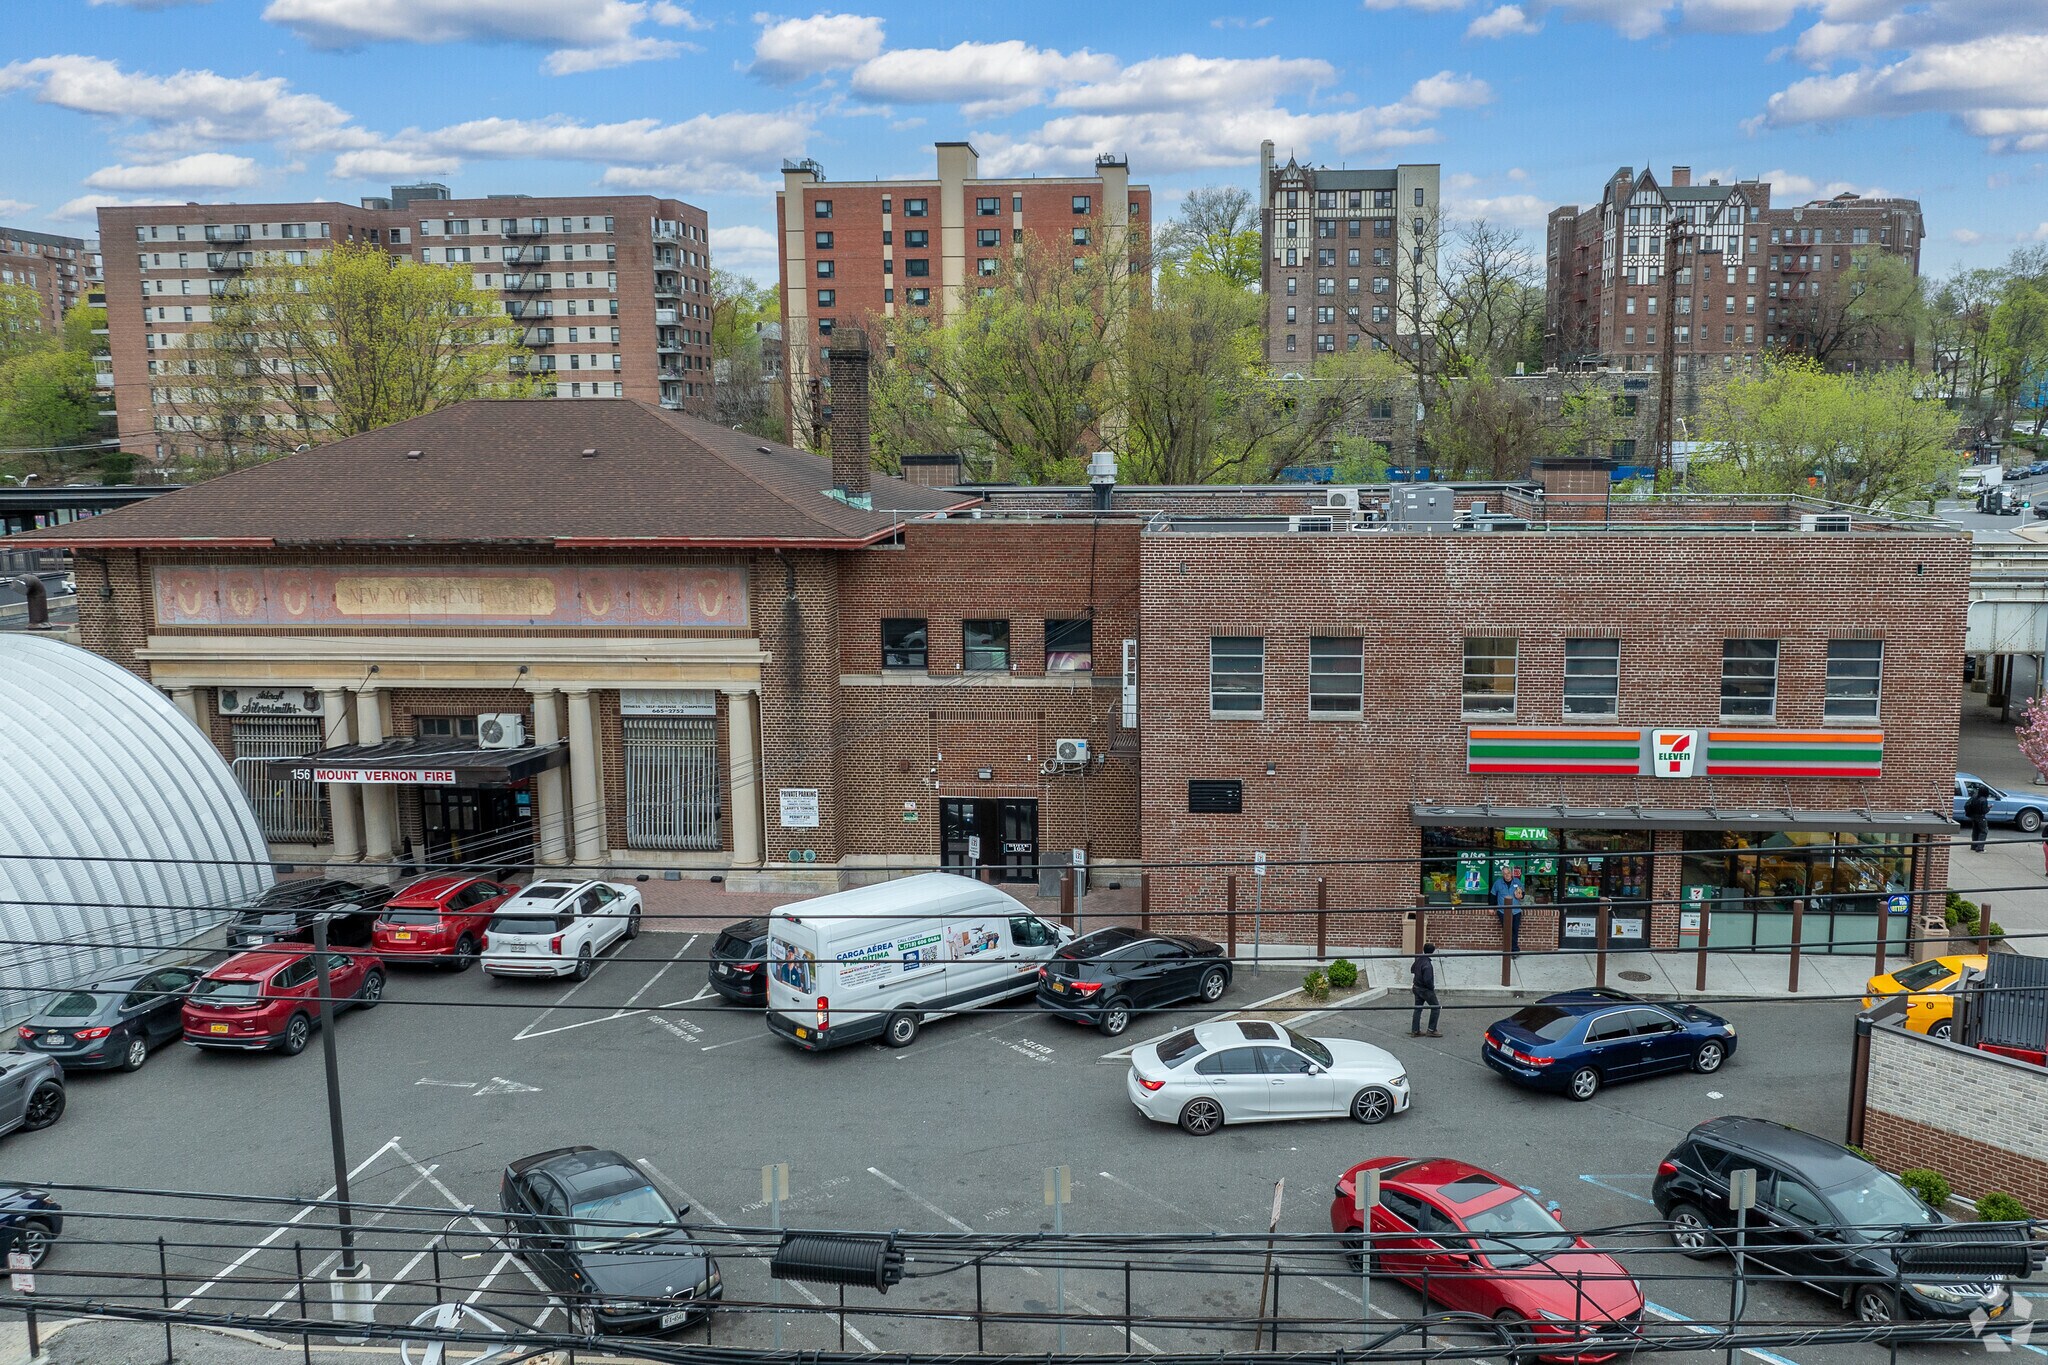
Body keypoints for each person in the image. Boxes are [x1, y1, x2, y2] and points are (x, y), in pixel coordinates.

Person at [1490, 864, 1525, 954]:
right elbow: (1493, 895)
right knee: (1507, 930)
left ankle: (1514, 950)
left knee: (1515, 930)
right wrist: (1491, 907)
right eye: (1505, 874)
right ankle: (1507, 949)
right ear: (1503, 875)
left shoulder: (1517, 882)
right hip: (1503, 911)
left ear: (1511, 873)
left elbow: (1522, 894)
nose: (1507, 875)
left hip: (1516, 911)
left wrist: (1520, 896)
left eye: (1508, 873)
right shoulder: (1498, 883)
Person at [1409, 942, 1441, 1038]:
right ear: (1432, 951)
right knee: (1436, 1007)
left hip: (1416, 987)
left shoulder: (1419, 959)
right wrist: (1431, 988)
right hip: (1425, 990)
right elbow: (1428, 980)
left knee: (1418, 1009)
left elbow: (1412, 969)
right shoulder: (1427, 964)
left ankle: (1415, 1030)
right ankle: (1431, 1029)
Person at [1964, 784, 1992, 854]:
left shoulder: (1974, 797)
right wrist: (1989, 808)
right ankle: (1980, 848)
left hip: (1973, 816)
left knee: (1975, 831)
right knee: (1983, 831)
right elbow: (1984, 811)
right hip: (1981, 817)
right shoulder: (1984, 800)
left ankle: (1974, 846)